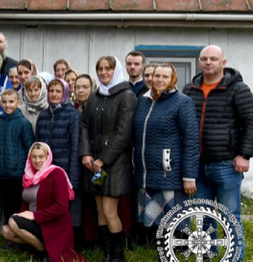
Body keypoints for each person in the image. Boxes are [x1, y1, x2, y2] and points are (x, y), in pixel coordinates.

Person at [184, 45, 253, 259]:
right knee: (203, 217)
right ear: (199, 62)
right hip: (197, 166)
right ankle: (208, 254)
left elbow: (250, 122)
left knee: (230, 215)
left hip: (226, 165)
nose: (208, 62)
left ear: (224, 62)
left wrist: (245, 154)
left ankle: (234, 257)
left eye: (213, 58)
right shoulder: (189, 89)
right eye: (204, 58)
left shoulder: (238, 89)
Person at [80, 56, 137, 262]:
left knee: (109, 210)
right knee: (99, 210)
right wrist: (86, 153)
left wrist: (102, 160)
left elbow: (123, 134)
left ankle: (118, 256)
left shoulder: (127, 96)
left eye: (108, 69)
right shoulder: (95, 96)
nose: (104, 72)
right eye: (100, 69)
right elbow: (84, 126)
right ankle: (108, 254)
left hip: (114, 164)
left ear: (116, 71)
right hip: (93, 163)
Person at [134, 63, 199, 244]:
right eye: (157, 76)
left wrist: (189, 175)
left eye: (165, 77)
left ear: (173, 79)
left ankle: (176, 252)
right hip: (145, 172)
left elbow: (191, 140)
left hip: (169, 171)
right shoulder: (144, 100)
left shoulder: (182, 101)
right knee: (151, 221)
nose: (160, 80)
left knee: (174, 222)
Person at [2, 142, 85, 262]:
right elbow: (26, 204)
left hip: (52, 224)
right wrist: (22, 214)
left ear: (47, 157)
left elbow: (62, 207)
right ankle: (42, 248)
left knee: (13, 222)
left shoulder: (57, 174)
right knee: (6, 231)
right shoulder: (28, 176)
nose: (37, 160)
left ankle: (43, 252)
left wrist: (35, 216)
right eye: (34, 156)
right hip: (36, 222)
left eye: (41, 156)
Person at [35, 78, 82, 238]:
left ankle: (70, 244)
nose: (54, 94)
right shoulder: (43, 115)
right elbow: (38, 145)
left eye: (58, 91)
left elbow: (75, 147)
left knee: (67, 210)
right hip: (46, 172)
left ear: (65, 93)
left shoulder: (73, 115)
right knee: (49, 207)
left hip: (65, 171)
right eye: (51, 90)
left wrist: (73, 178)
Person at [0, 89, 34, 225]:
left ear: (18, 102)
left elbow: (30, 148)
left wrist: (27, 171)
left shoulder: (24, 123)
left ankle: (18, 234)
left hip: (17, 172)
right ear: (0, 103)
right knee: (5, 204)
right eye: (4, 102)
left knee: (16, 205)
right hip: (1, 171)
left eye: (11, 102)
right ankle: (8, 234)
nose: (8, 105)